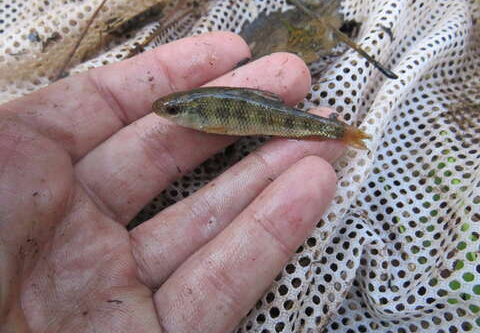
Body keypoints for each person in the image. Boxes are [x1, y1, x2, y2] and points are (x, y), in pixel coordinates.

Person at [0, 31, 344, 333]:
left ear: (189, 110)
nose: (168, 115)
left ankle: (334, 131)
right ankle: (335, 131)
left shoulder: (204, 108)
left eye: (174, 111)